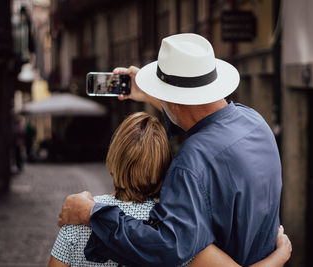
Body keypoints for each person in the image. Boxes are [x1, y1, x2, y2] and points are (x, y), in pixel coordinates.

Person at [58, 33, 284, 266]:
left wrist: (91, 213)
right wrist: (150, 93)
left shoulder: (192, 159)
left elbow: (168, 247)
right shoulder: (255, 122)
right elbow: (193, 112)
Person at [49, 112, 291, 267]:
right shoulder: (182, 230)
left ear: (113, 157)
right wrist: (280, 255)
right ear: (166, 162)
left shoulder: (75, 223)